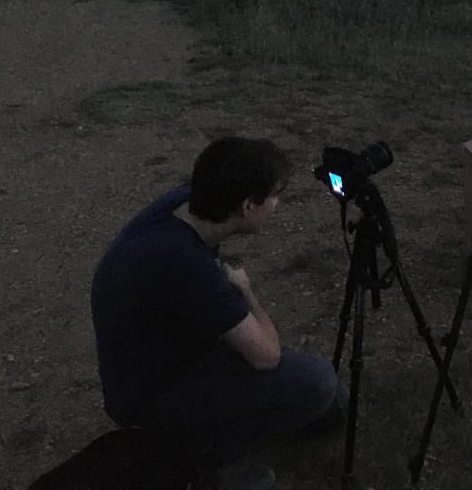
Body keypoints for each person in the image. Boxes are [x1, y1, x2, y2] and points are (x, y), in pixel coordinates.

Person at [91, 137, 347, 489]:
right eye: (274, 196)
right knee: (318, 381)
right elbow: (266, 356)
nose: (277, 204)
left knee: (333, 401)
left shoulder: (183, 204)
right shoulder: (186, 264)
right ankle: (199, 462)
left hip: (159, 359)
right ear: (246, 206)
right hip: (150, 396)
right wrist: (246, 290)